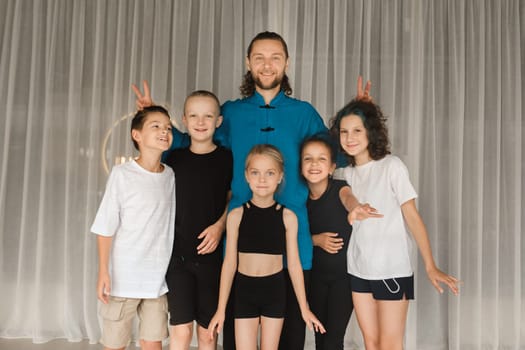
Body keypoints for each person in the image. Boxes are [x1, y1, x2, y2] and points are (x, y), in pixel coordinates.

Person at [132, 31, 375, 350]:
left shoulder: (303, 113)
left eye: (275, 57)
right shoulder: (231, 112)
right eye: (259, 57)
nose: (267, 64)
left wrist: (361, 116)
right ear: (248, 63)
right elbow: (193, 143)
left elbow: (338, 153)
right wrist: (155, 122)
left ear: (287, 63)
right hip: (238, 237)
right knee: (236, 340)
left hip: (292, 241)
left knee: (289, 340)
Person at [330, 99, 460, 350]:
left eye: (357, 130)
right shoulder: (344, 173)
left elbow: (412, 216)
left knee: (389, 344)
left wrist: (430, 266)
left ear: (371, 131)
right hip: (358, 269)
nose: (350, 137)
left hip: (391, 269)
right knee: (371, 342)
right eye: (344, 132)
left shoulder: (392, 166)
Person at [207, 144, 325, 350]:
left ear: (280, 176)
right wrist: (220, 309)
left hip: (275, 291)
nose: (262, 179)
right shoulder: (236, 215)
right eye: (255, 172)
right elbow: (229, 264)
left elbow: (295, 264)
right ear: (246, 176)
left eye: (270, 173)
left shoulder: (288, 217)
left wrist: (304, 308)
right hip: (244, 291)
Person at [91, 106, 175, 350]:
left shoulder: (170, 175)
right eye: (156, 126)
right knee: (115, 343)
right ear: (136, 135)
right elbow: (105, 226)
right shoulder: (122, 174)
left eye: (168, 127)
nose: (164, 131)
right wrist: (103, 272)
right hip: (122, 279)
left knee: (153, 342)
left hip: (156, 280)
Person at [163, 90, 232, 350]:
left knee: (207, 335)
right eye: (193, 115)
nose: (200, 122)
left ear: (218, 121)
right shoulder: (174, 159)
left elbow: (232, 199)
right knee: (180, 334)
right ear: (183, 120)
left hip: (212, 262)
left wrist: (219, 225)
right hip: (177, 259)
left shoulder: (227, 158)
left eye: (208, 116)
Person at [300, 134, 355, 350]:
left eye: (321, 159)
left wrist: (356, 208)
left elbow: (348, 198)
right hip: (314, 278)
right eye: (308, 159)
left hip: (344, 278)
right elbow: (290, 237)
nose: (314, 164)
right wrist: (316, 240)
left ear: (332, 167)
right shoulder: (300, 199)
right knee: (320, 337)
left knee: (333, 339)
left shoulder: (340, 187)